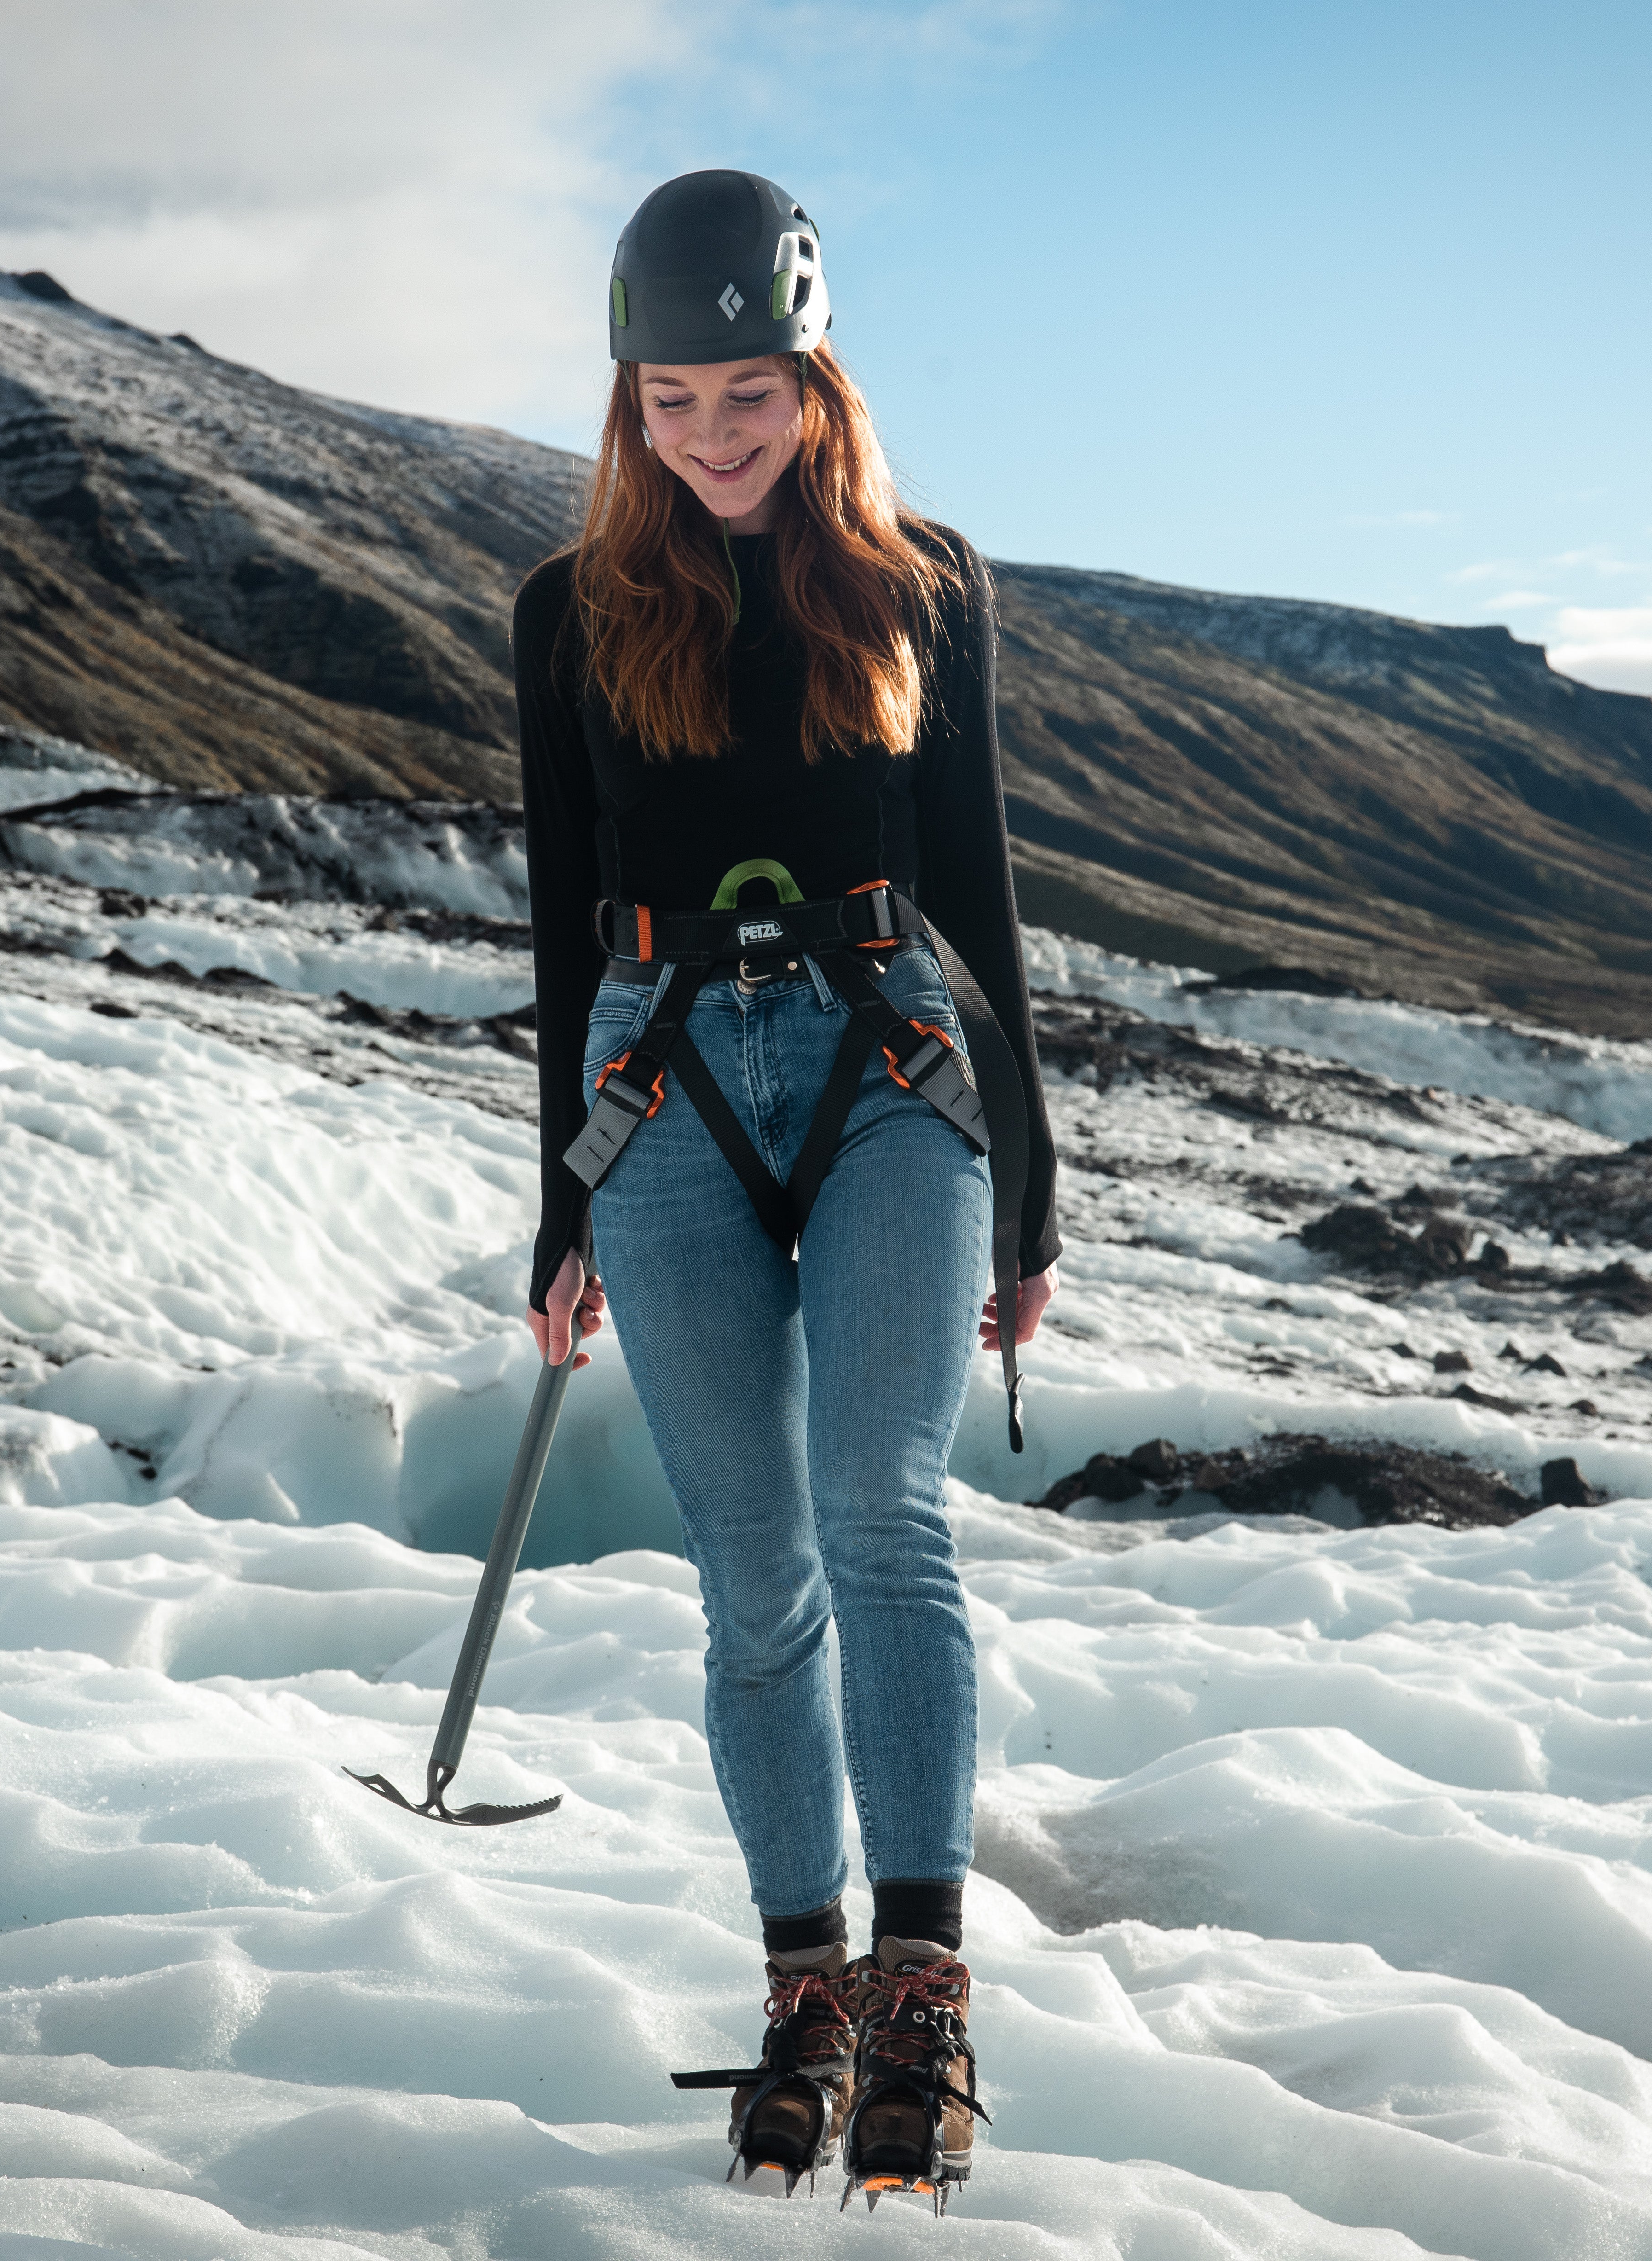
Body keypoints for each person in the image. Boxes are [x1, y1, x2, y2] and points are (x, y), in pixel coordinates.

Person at [510, 168, 1061, 2207]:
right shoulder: (565, 612)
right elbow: (563, 920)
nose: (710, 438)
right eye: (669, 400)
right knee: (752, 1574)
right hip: (653, 1086)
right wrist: (556, 1211)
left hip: (892, 1064)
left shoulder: (925, 583)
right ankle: (804, 1990)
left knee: (880, 1507)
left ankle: (924, 1985)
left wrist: (1029, 1200)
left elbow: (985, 898)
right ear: (626, 399)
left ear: (813, 380)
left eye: (746, 395)